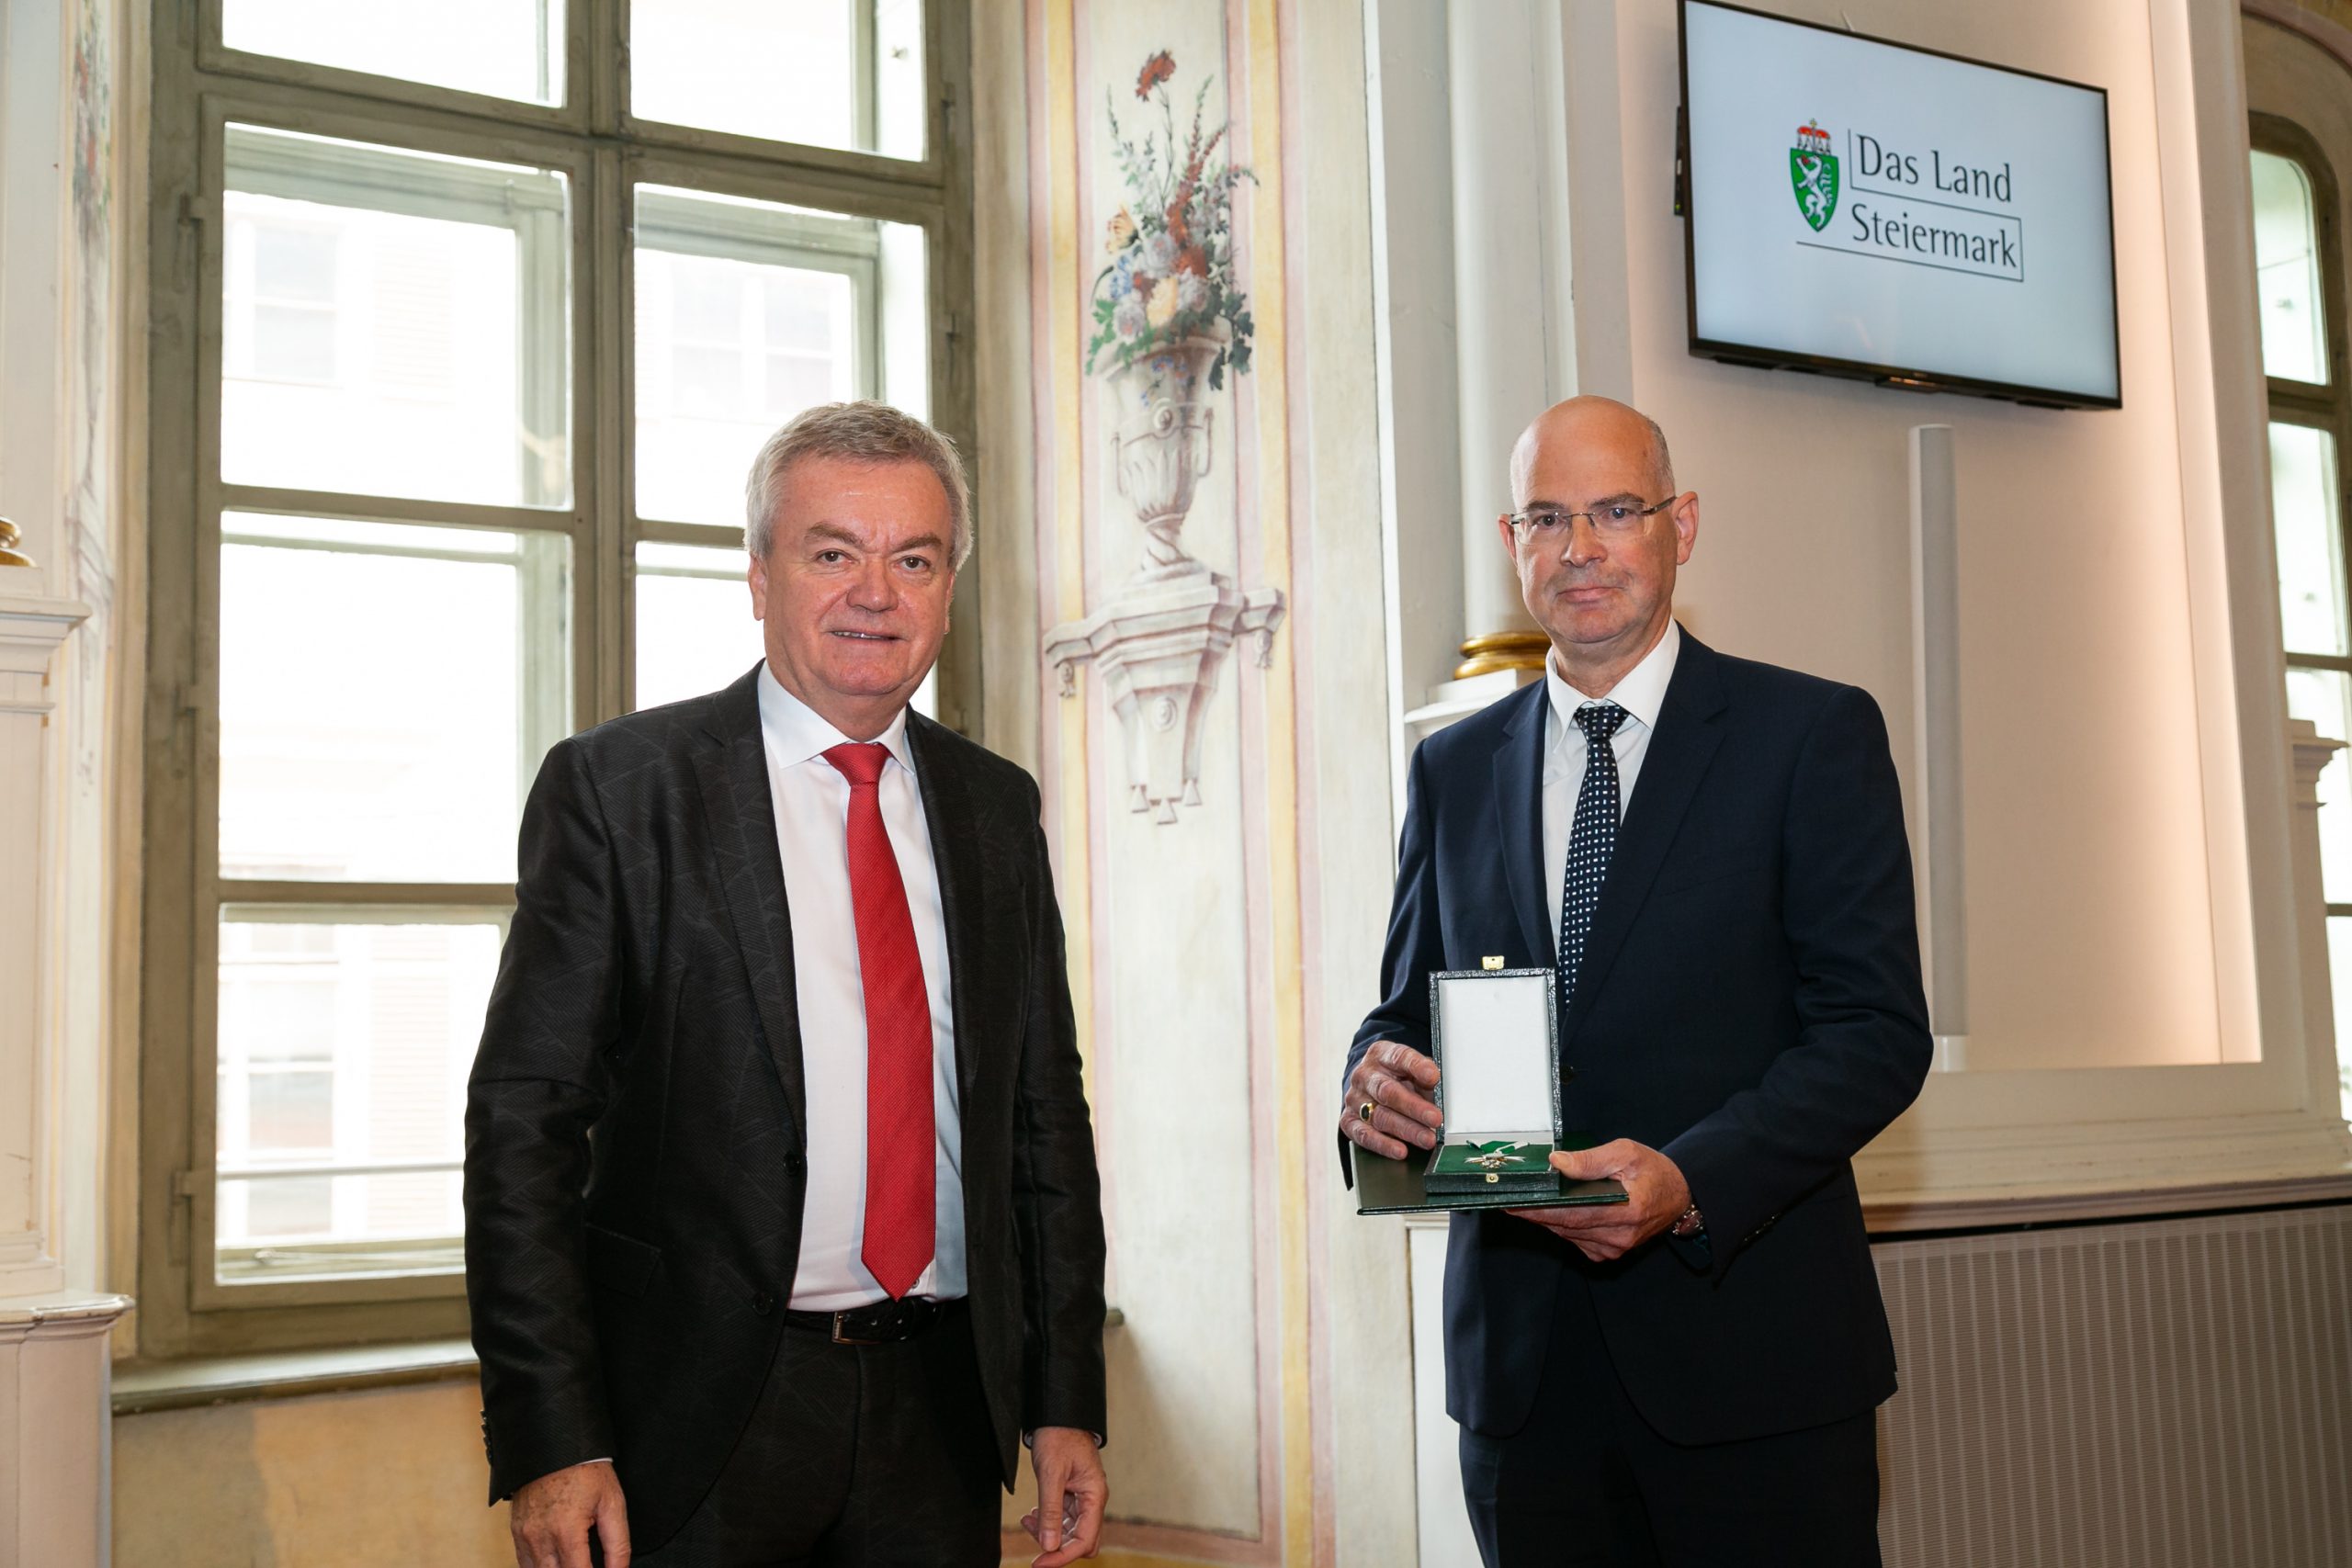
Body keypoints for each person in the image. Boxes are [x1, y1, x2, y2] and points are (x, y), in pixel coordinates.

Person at [466, 400, 1109, 1568]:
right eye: (832, 554)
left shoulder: (994, 807)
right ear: (759, 575)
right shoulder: (622, 792)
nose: (876, 594)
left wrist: (1064, 1397)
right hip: (693, 1421)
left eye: (913, 560)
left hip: (942, 1410)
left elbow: (1043, 1120)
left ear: (948, 589)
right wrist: (552, 1436)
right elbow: (523, 1126)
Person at [1339, 396, 1930, 1566]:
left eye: (1616, 511)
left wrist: (1689, 1181)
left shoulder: (1808, 735)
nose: (1580, 548)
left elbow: (1873, 1033)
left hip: (1751, 1366)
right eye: (1546, 518)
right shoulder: (1453, 769)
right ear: (1512, 543)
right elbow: (1407, 1009)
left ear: (1681, 525)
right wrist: (1373, 1085)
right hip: (1523, 1386)